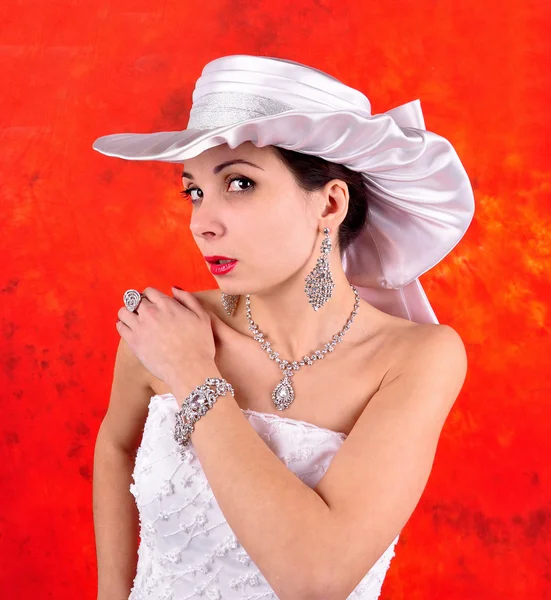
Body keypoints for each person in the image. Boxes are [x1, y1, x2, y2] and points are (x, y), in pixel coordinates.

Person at [92, 54, 474, 599]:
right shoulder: (168, 324)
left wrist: (194, 374)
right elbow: (115, 447)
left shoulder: (417, 357)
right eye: (194, 191)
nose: (202, 223)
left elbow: (316, 579)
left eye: (240, 184)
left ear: (331, 203)